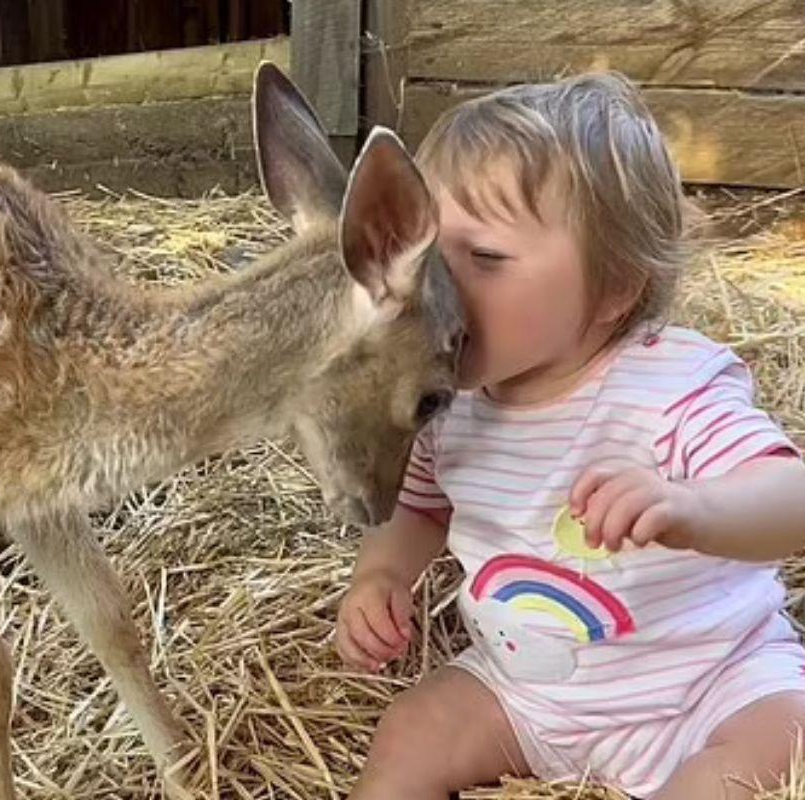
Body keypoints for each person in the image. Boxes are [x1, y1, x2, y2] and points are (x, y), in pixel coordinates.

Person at [336, 72, 805, 800]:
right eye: (432, 255)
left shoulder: (670, 384)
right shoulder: (447, 400)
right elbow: (421, 506)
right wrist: (382, 576)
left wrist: (694, 508)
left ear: (615, 287)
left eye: (485, 260)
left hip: (707, 684)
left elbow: (792, 498)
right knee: (410, 733)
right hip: (528, 688)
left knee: (781, 738)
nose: (440, 288)